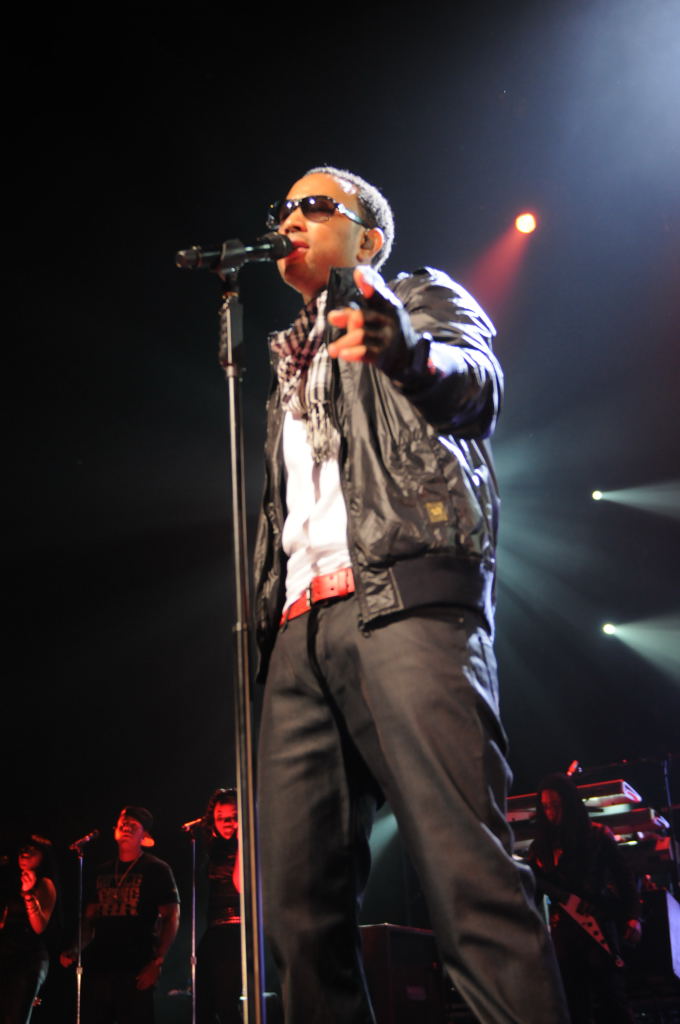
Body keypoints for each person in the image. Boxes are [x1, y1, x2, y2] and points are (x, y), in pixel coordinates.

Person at [254, 166, 569, 1023]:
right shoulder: (287, 361)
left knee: (469, 876)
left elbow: (475, 388)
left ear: (370, 239)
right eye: (284, 209)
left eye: (316, 206)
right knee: (297, 920)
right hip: (298, 633)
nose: (291, 219)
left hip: (402, 601)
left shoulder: (420, 299)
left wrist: (406, 351)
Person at [528, 773, 641, 1023]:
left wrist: (634, 917)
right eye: (546, 807)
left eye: (556, 806)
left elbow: (625, 879)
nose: (551, 813)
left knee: (613, 1000)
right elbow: (532, 894)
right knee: (574, 1005)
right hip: (564, 934)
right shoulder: (540, 848)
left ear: (569, 803)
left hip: (598, 922)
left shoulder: (598, 835)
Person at [60, 806, 180, 1024]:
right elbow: (90, 918)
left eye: (133, 825)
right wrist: (76, 947)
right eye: (122, 823)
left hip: (136, 966)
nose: (126, 827)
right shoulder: (101, 870)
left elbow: (171, 916)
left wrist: (157, 962)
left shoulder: (157, 869)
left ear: (144, 835)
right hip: (100, 966)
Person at [0, 834, 59, 1023]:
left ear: (43, 856)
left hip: (28, 958)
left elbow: (39, 926)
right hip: (6, 954)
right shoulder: (10, 882)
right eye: (22, 850)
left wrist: (28, 894)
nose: (25, 853)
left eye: (32, 850)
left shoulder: (44, 884)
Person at [196, 788, 242, 1023]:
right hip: (214, 929)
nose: (227, 822)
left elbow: (241, 885)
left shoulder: (247, 846)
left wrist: (244, 841)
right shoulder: (213, 848)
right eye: (220, 817)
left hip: (238, 930)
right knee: (203, 1004)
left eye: (233, 816)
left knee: (226, 1003)